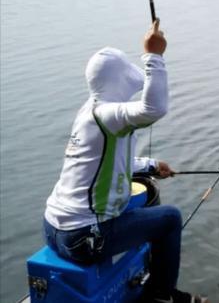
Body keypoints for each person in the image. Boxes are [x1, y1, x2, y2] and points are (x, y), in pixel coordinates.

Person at [43, 20, 208, 303]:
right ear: (120, 81)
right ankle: (161, 296)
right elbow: (153, 109)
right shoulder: (107, 114)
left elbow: (109, 163)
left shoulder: (89, 113)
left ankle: (146, 273)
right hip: (84, 237)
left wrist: (151, 165)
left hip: (53, 228)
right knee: (170, 219)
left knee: (144, 199)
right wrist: (153, 56)